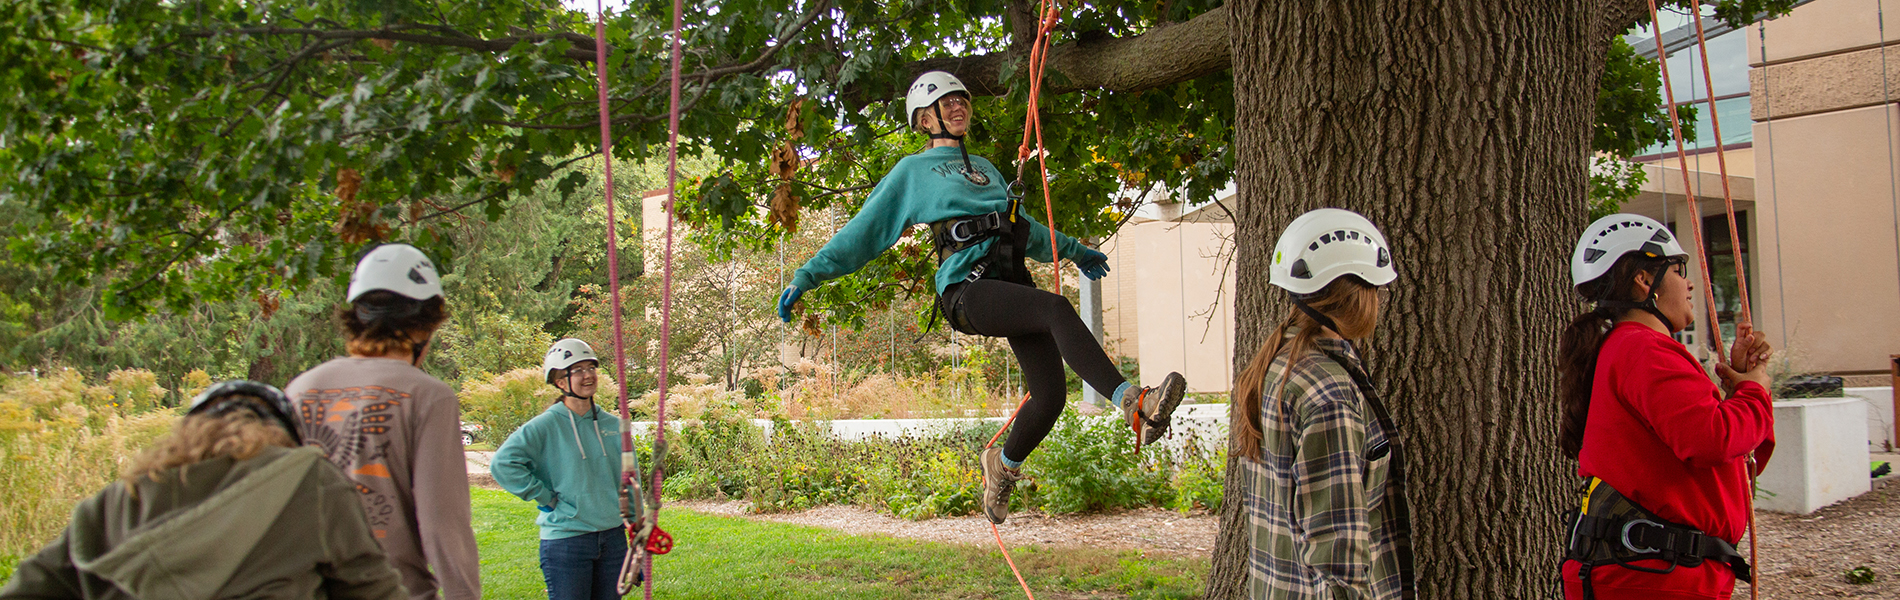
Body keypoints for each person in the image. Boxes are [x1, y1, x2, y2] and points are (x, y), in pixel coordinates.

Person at [773, 70, 1187, 524]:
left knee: (1049, 397)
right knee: (1055, 307)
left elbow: (1023, 230)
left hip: (1010, 285)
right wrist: (808, 274)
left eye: (962, 100)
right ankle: (1134, 402)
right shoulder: (912, 172)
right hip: (966, 290)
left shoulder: (987, 168)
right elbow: (865, 231)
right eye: (946, 103)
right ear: (924, 118)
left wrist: (1076, 251)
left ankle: (1002, 468)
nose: (958, 107)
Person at [0, 381, 408, 600]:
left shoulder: (116, 500)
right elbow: (372, 588)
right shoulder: (308, 479)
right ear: (282, 436)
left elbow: (30, 587)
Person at [1558, 214, 1775, 600]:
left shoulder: (1629, 348)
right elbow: (1711, 439)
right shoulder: (1643, 349)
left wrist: (1740, 386)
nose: (1690, 283)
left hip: (1649, 573)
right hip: (1653, 578)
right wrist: (1755, 391)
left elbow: (1711, 463)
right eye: (1678, 269)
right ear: (1645, 280)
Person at [1232, 208, 1414, 599]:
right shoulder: (1328, 394)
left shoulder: (1277, 366)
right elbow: (1338, 550)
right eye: (1377, 289)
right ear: (1359, 293)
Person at [283, 244, 480, 600]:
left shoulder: (300, 390)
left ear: (356, 317)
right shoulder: (427, 396)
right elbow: (443, 525)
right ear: (427, 325)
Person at [489, 339, 629, 600]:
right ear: (560, 382)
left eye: (591, 368)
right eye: (577, 370)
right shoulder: (545, 425)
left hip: (613, 539)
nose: (587, 375)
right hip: (567, 541)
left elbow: (629, 478)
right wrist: (545, 497)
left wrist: (637, 521)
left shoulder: (614, 425)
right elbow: (503, 464)